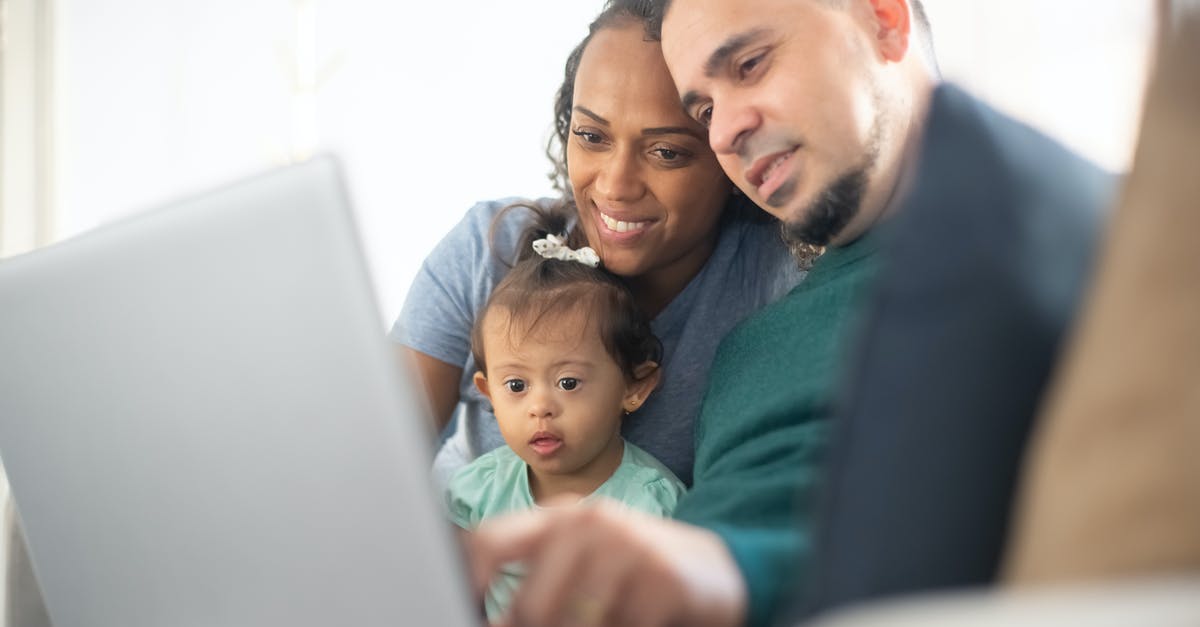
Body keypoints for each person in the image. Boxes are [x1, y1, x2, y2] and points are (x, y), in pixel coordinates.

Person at [469, 1, 1110, 626]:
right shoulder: (757, 345)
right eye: (705, 109)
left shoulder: (1055, 219)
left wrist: (722, 570)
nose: (722, 133)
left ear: (881, 18)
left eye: (749, 64)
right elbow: (747, 521)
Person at [391, 0, 804, 490]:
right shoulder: (485, 251)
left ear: (730, 153)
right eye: (591, 136)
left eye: (667, 152)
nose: (615, 185)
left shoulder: (783, 280)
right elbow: (372, 461)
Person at [447, 206, 687, 621]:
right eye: (516, 386)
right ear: (488, 393)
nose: (540, 407)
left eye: (569, 383)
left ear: (634, 387)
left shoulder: (652, 504)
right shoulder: (477, 490)